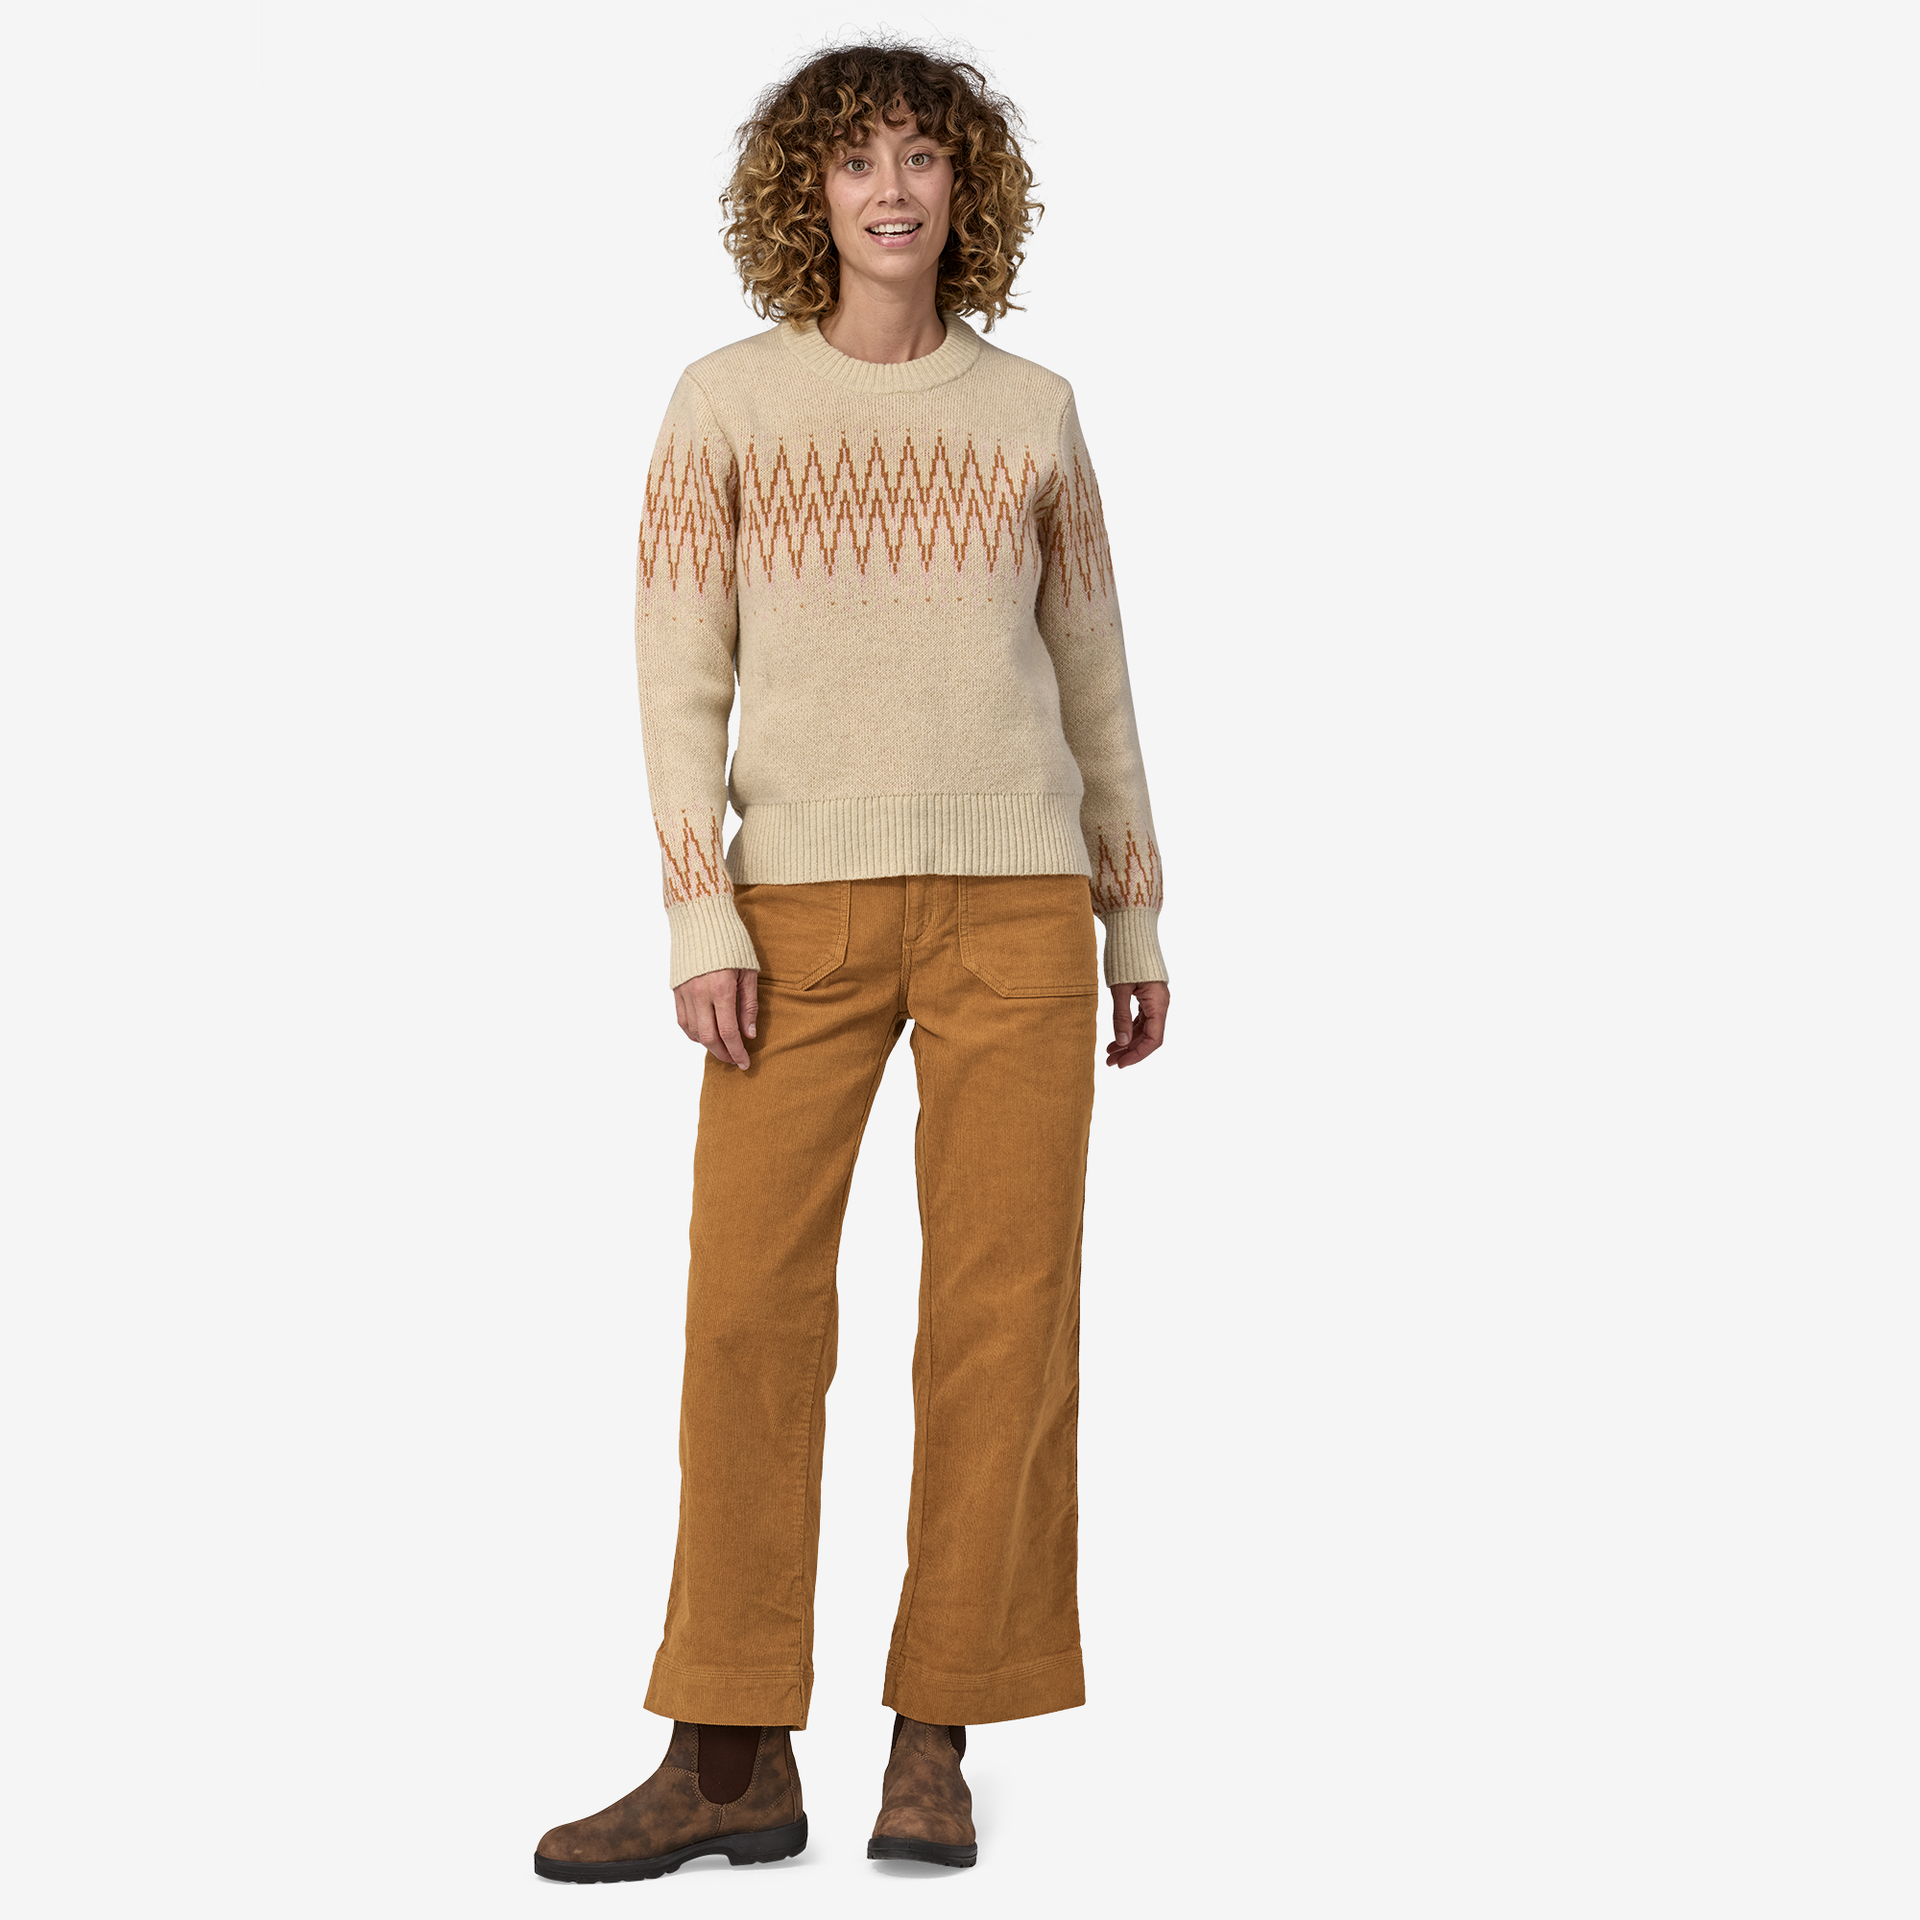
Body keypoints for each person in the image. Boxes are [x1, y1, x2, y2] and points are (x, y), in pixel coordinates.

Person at [534, 41, 1169, 1883]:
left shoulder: (1036, 415)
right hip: (793, 918)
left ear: (969, 191)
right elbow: (676, 675)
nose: (892, 189)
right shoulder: (725, 404)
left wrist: (1132, 910)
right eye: (856, 160)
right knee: (746, 1312)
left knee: (1000, 1321)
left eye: (923, 157)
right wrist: (697, 907)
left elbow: (1097, 674)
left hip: (1018, 909)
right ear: (803, 193)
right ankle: (728, 1751)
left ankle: (935, 1741)